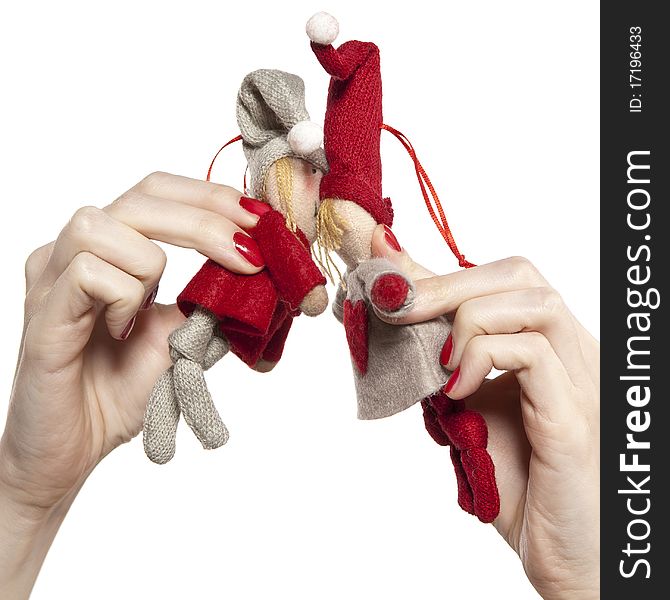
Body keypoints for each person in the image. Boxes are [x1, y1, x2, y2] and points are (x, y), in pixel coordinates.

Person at [0, 172, 599, 599]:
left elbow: (314, 292)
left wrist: (592, 581)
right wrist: (21, 498)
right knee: (188, 353)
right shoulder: (269, 233)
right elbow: (306, 285)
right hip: (229, 303)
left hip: (242, 308)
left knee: (193, 354)